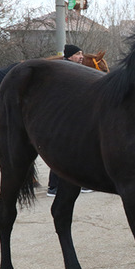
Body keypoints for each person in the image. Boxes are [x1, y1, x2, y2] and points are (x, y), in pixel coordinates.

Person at [48, 44, 93, 196]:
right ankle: (54, 187)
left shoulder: (72, 69)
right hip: (62, 121)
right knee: (62, 153)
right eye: (78, 54)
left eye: (82, 53)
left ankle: (75, 184)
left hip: (70, 119)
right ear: (69, 56)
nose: (81, 56)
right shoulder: (65, 70)